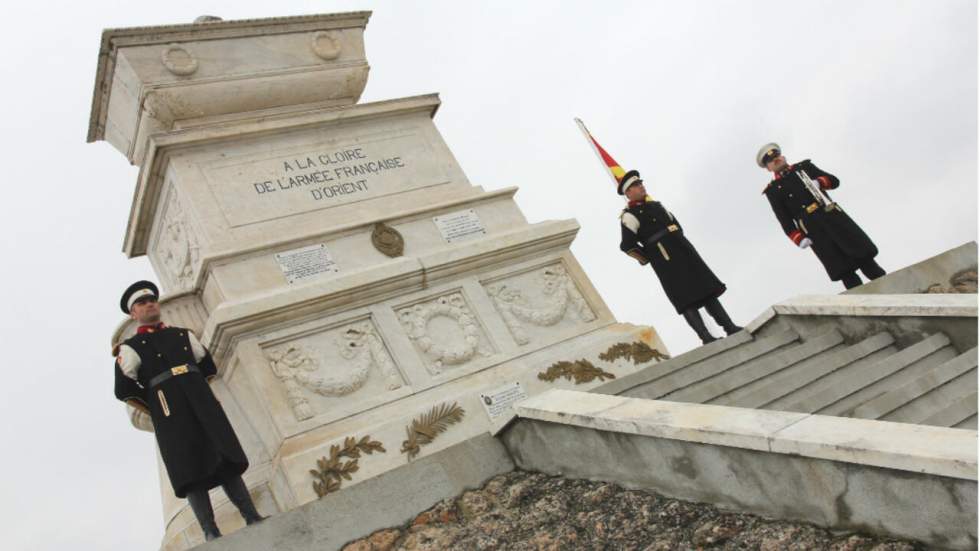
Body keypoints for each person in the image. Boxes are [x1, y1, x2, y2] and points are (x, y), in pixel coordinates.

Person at [113, 281, 264, 541]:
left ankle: (251, 515)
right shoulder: (131, 347)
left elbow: (206, 365)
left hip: (201, 403)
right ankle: (210, 531)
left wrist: (198, 391)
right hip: (170, 412)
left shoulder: (183, 334)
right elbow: (123, 388)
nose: (149, 304)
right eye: (142, 303)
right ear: (133, 314)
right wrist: (157, 402)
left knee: (224, 457)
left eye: (152, 300)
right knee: (189, 469)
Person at [618, 170, 742, 344]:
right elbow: (627, 245)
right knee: (685, 299)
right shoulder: (629, 215)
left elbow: (676, 226)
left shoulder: (657, 205)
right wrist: (648, 257)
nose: (641, 186)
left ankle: (729, 326)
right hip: (665, 260)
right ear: (628, 193)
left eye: (640, 183)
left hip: (684, 251)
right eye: (636, 186)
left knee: (706, 290)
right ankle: (705, 336)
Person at [757, 143, 886, 289]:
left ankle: (891, 291)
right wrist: (798, 238)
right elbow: (784, 220)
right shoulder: (773, 190)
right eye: (771, 160)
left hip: (832, 216)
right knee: (845, 272)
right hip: (814, 230)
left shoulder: (804, 167)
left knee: (866, 261)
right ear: (768, 168)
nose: (776, 160)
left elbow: (834, 181)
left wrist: (820, 182)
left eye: (776, 156)